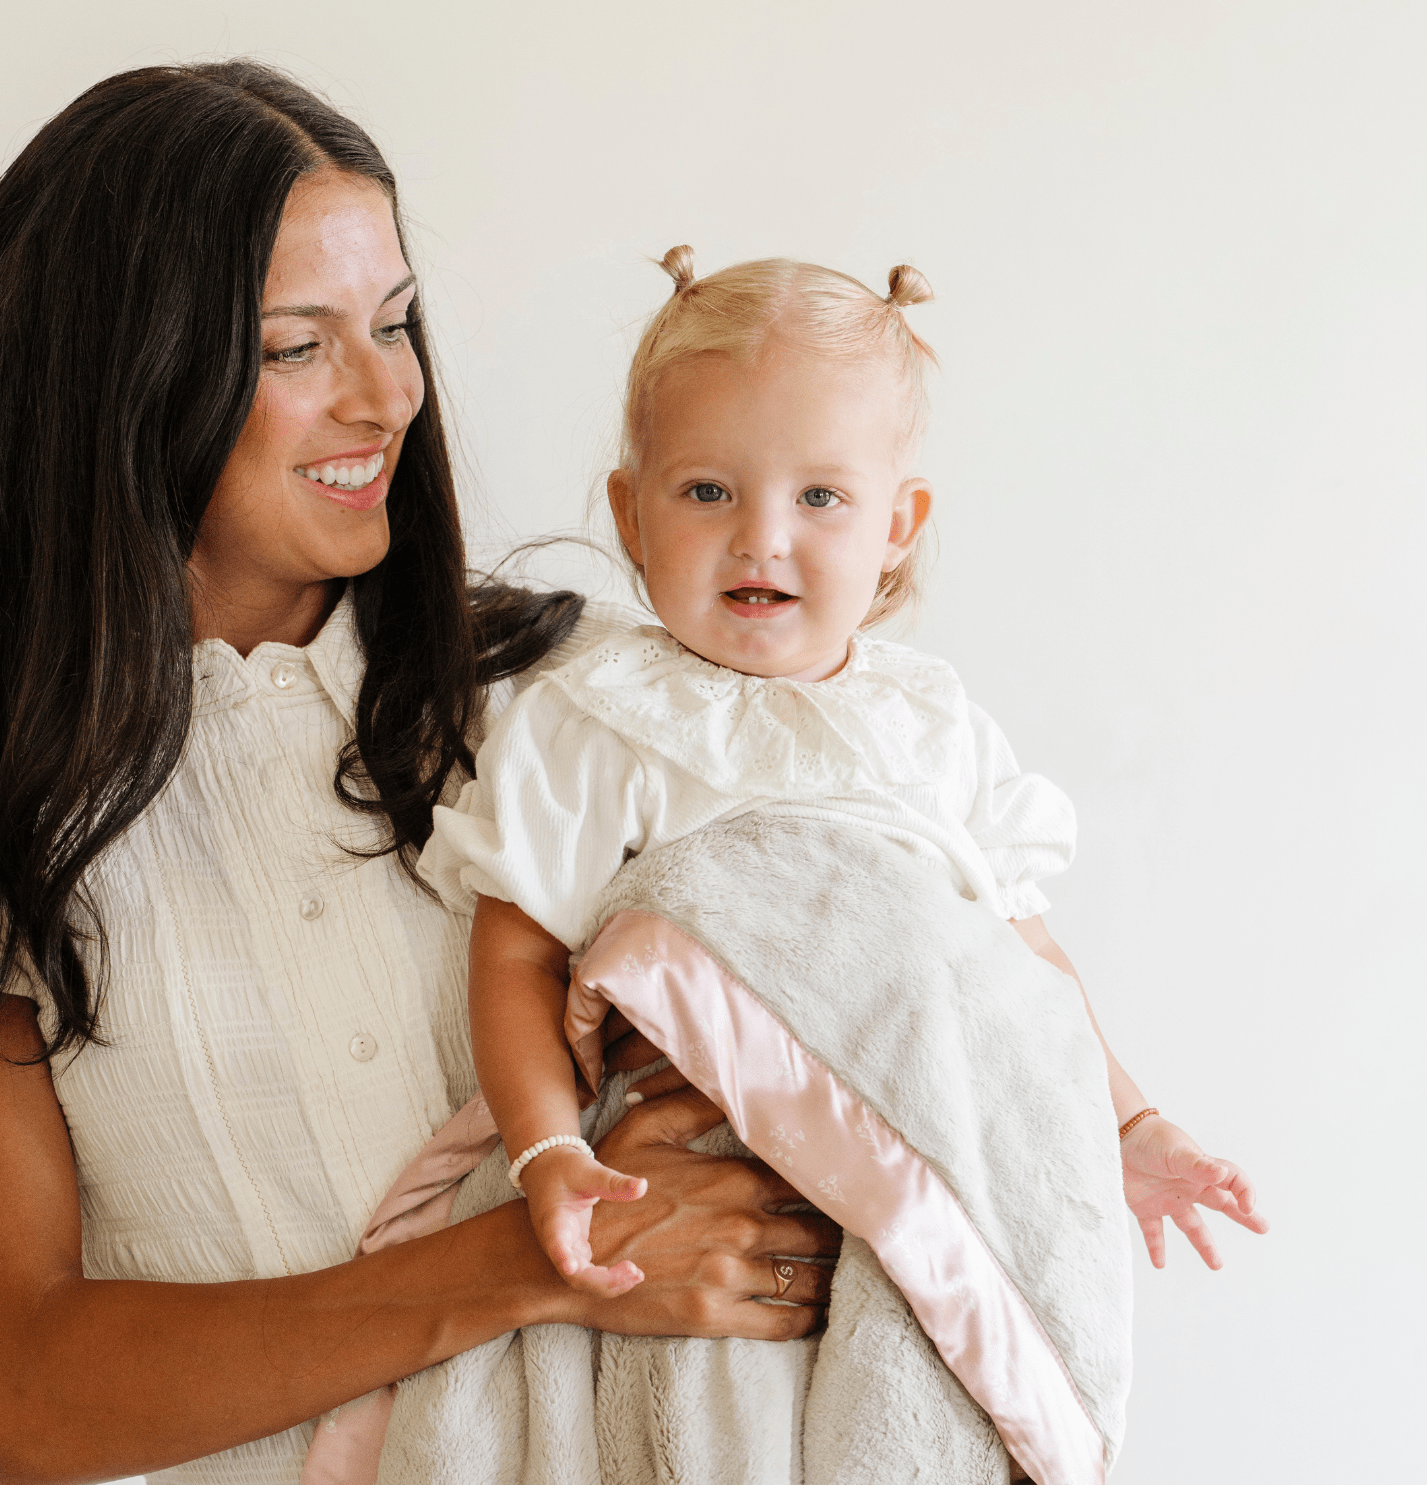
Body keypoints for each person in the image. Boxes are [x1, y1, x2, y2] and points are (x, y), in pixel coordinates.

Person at [0, 65, 839, 1485]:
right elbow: (22, 1384)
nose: (389, 394)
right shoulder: (25, 805)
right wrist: (540, 1258)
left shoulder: (592, 712)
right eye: (295, 346)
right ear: (115, 370)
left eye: (395, 325)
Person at [420, 248, 1270, 1297]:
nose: (761, 539)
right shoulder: (603, 721)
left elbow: (1018, 968)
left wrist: (1128, 1121)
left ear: (896, 529)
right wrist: (550, 1151)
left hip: (924, 1160)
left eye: (821, 495)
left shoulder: (931, 726)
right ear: (632, 516)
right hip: (691, 1184)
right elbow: (515, 951)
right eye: (706, 490)